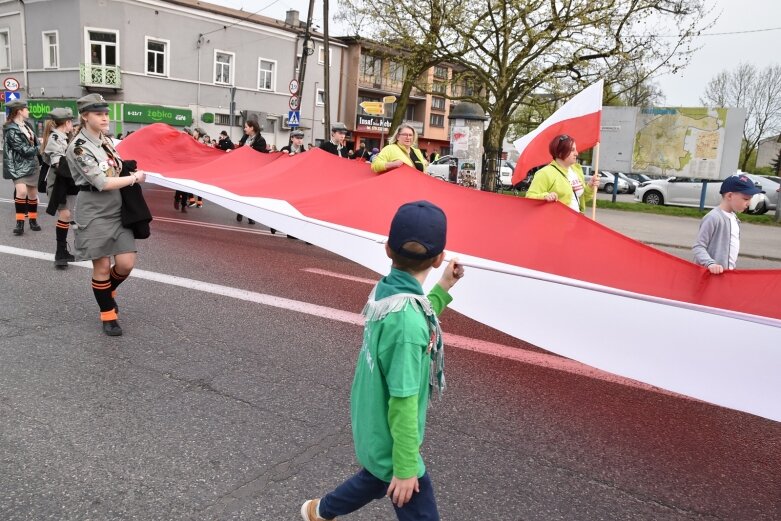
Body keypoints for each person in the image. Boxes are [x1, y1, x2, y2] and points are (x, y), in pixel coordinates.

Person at [300, 200, 464, 521]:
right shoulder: (408, 324)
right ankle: (323, 509)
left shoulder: (389, 291)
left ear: (388, 250)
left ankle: (320, 511)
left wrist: (444, 286)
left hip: (374, 424)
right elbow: (403, 401)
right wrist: (405, 469)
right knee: (400, 489)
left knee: (373, 481)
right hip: (393, 442)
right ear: (440, 257)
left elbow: (416, 312)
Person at [65, 93, 147, 337]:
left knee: (126, 263)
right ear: (85, 116)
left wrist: (129, 166)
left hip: (117, 206)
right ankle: (108, 314)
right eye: (98, 113)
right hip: (94, 210)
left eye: (106, 113)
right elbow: (101, 181)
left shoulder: (106, 141)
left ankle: (107, 290)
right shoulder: (79, 148)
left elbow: (115, 166)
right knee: (101, 265)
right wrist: (134, 178)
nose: (104, 117)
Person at [692, 174, 761, 274]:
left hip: (725, 275)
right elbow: (698, 246)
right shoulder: (713, 218)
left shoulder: (734, 217)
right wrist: (710, 264)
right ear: (729, 196)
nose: (749, 203)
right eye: (746, 199)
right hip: (709, 276)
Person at [525, 134, 599, 213]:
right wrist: (545, 196)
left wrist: (590, 186)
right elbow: (529, 197)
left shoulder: (576, 170)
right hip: (556, 222)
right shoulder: (545, 173)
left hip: (576, 221)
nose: (576, 153)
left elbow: (582, 198)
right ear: (560, 153)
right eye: (572, 150)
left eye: (576, 149)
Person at [42, 107, 76, 267]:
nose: (72, 126)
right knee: (65, 215)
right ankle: (60, 252)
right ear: (67, 123)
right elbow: (58, 164)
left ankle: (62, 251)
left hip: (64, 181)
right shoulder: (56, 138)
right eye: (71, 123)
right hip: (57, 183)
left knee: (67, 215)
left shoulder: (64, 136)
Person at [3, 98, 42, 236]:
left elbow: (33, 144)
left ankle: (33, 220)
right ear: (19, 111)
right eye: (26, 109)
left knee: (32, 195)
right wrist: (40, 147)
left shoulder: (27, 125)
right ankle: (20, 223)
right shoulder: (11, 129)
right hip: (18, 166)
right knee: (21, 192)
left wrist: (38, 146)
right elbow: (24, 150)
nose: (28, 111)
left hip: (32, 164)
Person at [236, 119, 267, 224]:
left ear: (252, 128)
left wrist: (250, 150)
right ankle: (240, 211)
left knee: (250, 194)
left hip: (253, 171)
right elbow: (239, 150)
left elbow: (261, 156)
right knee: (241, 192)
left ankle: (250, 215)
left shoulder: (260, 140)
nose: (244, 129)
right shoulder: (244, 138)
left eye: (246, 127)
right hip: (243, 169)